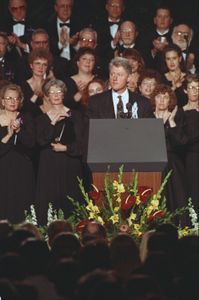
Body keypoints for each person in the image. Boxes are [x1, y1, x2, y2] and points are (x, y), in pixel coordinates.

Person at [35, 79, 83, 225]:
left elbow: (83, 143)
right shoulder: (41, 119)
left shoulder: (76, 116)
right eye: (52, 92)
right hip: (49, 167)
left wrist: (66, 148)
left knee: (71, 202)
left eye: (59, 91)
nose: (55, 95)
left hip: (70, 164)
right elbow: (40, 141)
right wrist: (52, 123)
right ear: (47, 96)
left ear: (64, 94)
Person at [0, 83, 35, 224]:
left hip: (22, 168)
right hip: (3, 167)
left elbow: (31, 144)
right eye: (9, 98)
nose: (13, 101)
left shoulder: (26, 118)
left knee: (22, 203)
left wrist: (19, 131)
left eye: (16, 98)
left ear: (20, 101)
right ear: (2, 101)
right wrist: (8, 135)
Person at [151, 84, 188, 215]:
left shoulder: (177, 118)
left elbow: (181, 143)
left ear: (170, 100)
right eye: (159, 96)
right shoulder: (148, 118)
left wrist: (171, 122)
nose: (161, 100)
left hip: (173, 164)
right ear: (154, 99)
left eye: (165, 97)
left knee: (176, 198)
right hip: (154, 163)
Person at [88, 56, 153, 119]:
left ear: (128, 78)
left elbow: (150, 128)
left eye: (119, 75)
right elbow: (91, 128)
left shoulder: (143, 103)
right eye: (112, 74)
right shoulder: (96, 102)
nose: (114, 78)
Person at [182, 74, 199, 213]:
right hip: (192, 157)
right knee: (194, 189)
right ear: (185, 90)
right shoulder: (181, 112)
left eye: (197, 88)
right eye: (191, 88)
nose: (195, 91)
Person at [21, 48, 53, 118]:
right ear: (31, 65)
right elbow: (24, 109)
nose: (40, 67)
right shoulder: (22, 86)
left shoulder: (50, 84)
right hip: (30, 121)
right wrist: (36, 94)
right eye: (37, 63)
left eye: (44, 64)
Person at [139, 4, 173, 70]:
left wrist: (167, 48)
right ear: (155, 20)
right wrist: (154, 51)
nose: (162, 19)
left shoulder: (174, 37)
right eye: (159, 16)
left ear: (171, 20)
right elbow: (141, 59)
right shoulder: (145, 37)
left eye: (166, 17)